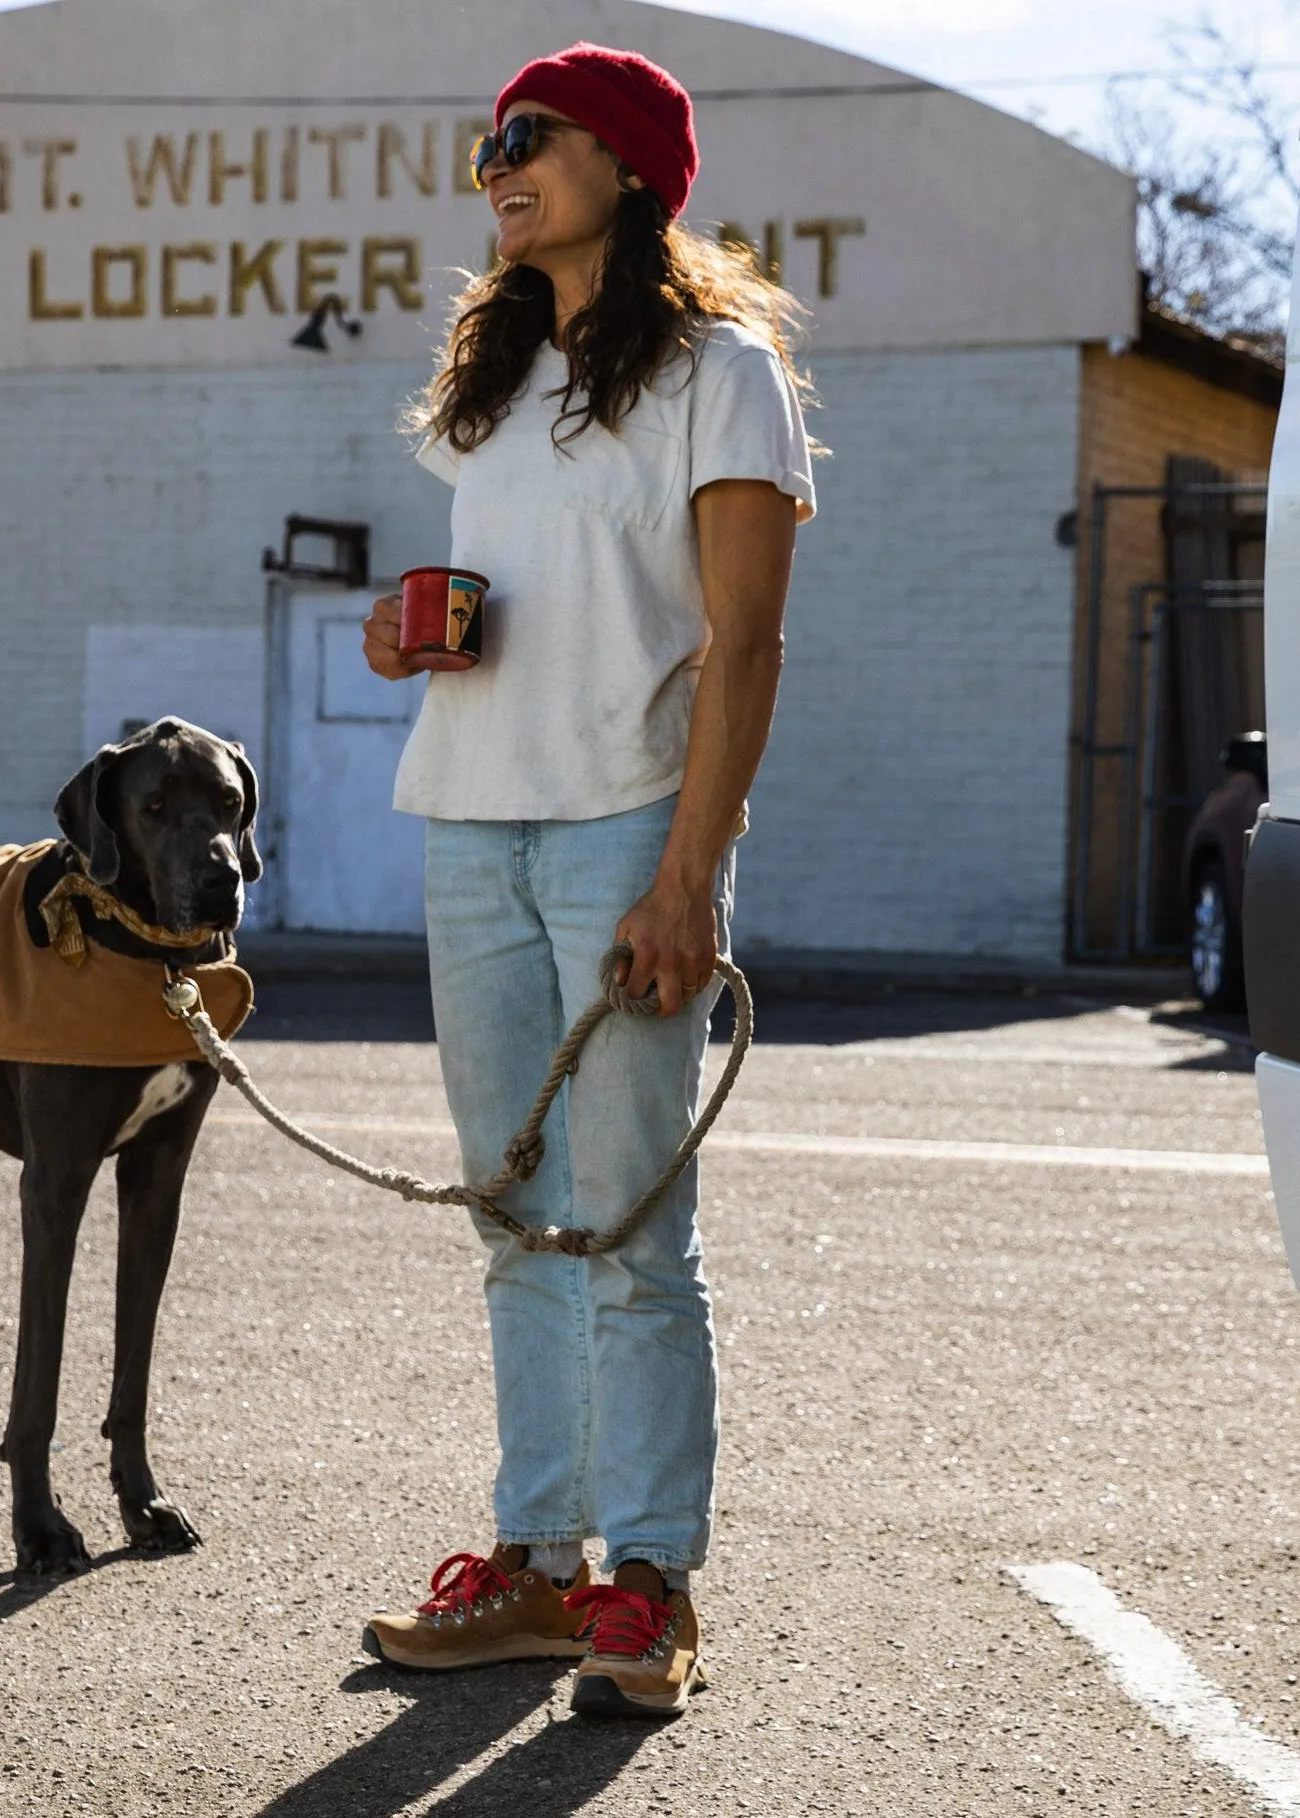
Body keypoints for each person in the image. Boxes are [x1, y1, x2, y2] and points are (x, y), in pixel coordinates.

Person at [359, 42, 815, 1717]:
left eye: (527, 137)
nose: (496, 160)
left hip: (630, 827)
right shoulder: (493, 380)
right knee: (512, 1219)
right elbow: (506, 606)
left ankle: (652, 1582)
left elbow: (748, 641)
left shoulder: (721, 369)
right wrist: (406, 636)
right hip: (469, 823)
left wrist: (691, 874)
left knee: (627, 1228)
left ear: (627, 164)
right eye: (485, 139)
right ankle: (540, 1566)